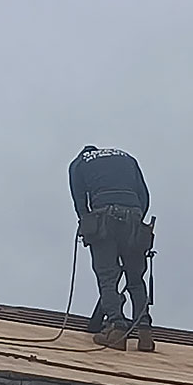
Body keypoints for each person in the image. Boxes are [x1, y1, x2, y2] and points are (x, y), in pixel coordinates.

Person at [69, 145, 155, 352]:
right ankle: (144, 331)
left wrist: (89, 225)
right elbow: (144, 196)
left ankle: (116, 328)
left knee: (107, 276)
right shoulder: (127, 157)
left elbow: (80, 202)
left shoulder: (79, 163)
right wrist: (135, 222)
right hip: (134, 216)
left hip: (104, 217)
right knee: (136, 279)